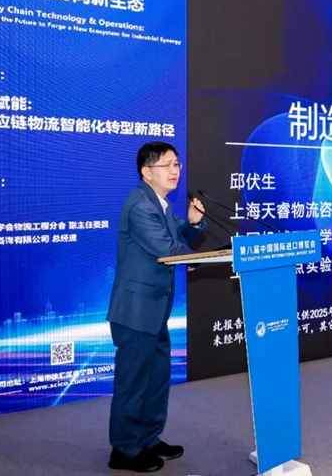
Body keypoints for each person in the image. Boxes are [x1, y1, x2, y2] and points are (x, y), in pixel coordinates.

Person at [106, 141, 206, 472]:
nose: (175, 170)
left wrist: (193, 223)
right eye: (168, 165)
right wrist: (201, 258)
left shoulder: (158, 203)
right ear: (147, 172)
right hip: (135, 312)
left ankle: (148, 438)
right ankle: (124, 449)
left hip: (154, 310)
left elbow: (178, 234)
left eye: (177, 164)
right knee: (134, 381)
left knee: (156, 377)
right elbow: (166, 247)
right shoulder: (140, 206)